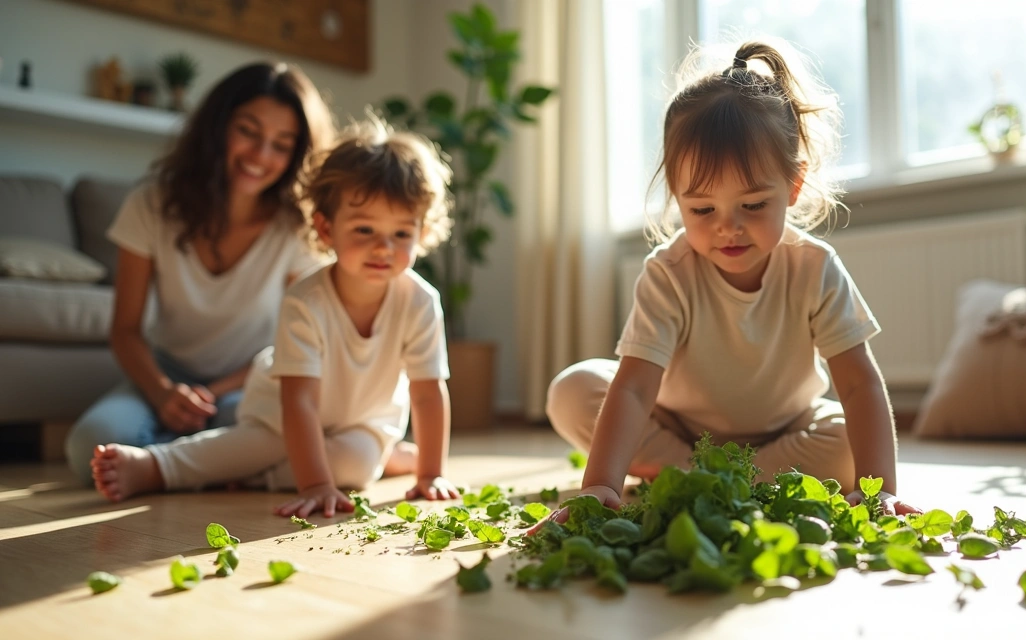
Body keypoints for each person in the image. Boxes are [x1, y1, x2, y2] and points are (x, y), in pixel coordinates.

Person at [546, 40, 918, 518]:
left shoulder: (815, 266)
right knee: (573, 391)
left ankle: (693, 477)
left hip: (787, 431)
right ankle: (712, 472)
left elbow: (860, 384)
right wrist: (599, 485)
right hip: (677, 428)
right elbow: (636, 388)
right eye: (702, 209)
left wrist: (879, 490)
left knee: (849, 443)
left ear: (793, 185)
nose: (728, 226)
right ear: (677, 198)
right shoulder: (668, 273)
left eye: (754, 205)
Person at [90, 122, 461, 517]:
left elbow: (426, 392)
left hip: (362, 420)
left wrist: (431, 474)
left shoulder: (421, 301)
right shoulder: (306, 299)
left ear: (422, 233)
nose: (383, 248)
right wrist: (316, 485)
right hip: (281, 412)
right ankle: (156, 467)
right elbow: (299, 401)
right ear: (325, 228)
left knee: (355, 468)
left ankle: (258, 477)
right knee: (258, 445)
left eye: (402, 234)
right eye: (365, 229)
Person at [64, 62, 335, 483]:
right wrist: (161, 391)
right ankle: (181, 455)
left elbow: (295, 343)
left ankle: (165, 462)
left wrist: (212, 393)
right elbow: (126, 330)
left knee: (249, 436)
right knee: (91, 445)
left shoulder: (297, 229)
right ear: (218, 126)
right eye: (248, 131)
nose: (261, 156)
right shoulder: (151, 204)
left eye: (282, 144)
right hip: (165, 376)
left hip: (249, 382)